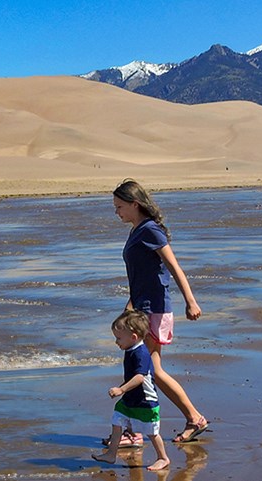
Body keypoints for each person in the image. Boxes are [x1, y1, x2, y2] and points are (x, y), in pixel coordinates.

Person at [112, 178, 209, 443]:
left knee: (148, 371)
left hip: (154, 309)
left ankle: (192, 418)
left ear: (135, 204)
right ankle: (135, 430)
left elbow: (174, 267)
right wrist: (129, 306)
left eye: (120, 206)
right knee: (140, 370)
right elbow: (139, 275)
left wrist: (191, 301)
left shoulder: (151, 230)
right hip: (141, 307)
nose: (116, 212)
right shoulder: (136, 231)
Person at [92, 309, 170, 471]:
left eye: (119, 338)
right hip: (131, 399)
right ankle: (111, 454)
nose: (116, 342)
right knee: (117, 420)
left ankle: (163, 458)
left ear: (133, 337)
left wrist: (121, 389)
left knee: (151, 431)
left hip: (145, 401)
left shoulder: (141, 353)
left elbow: (139, 378)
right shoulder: (130, 350)